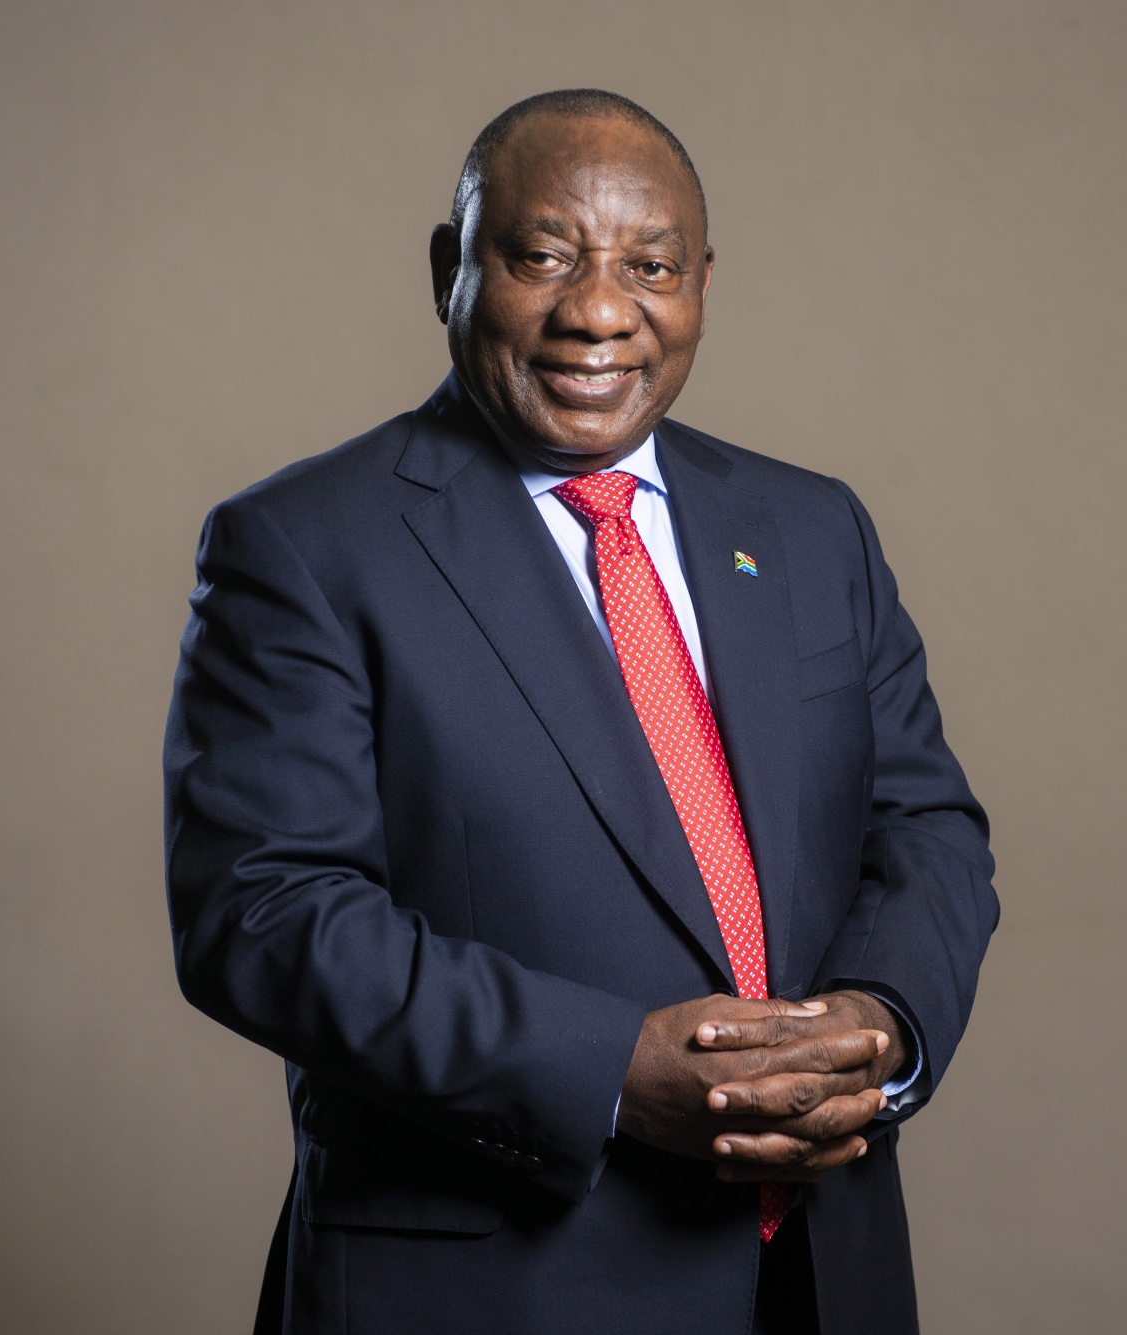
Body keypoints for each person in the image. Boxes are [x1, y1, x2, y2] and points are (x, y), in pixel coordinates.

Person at [163, 88, 996, 1335]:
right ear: (450, 271)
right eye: (541, 257)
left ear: (700, 282)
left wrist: (878, 1026)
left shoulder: (810, 528)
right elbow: (265, 914)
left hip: (818, 1275)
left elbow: (922, 828)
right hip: (489, 1291)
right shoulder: (304, 548)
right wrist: (606, 1071)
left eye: (649, 266)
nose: (599, 312)